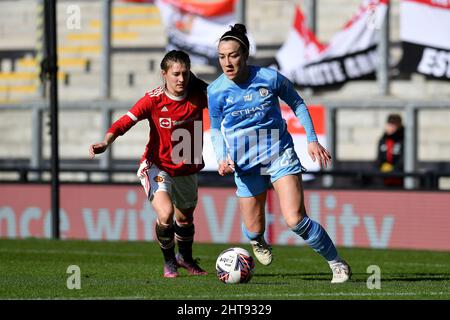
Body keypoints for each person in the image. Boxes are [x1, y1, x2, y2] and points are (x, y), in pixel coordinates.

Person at [207, 24, 351, 283]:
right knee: (253, 229)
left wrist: (312, 140)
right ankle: (257, 240)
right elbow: (216, 129)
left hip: (278, 153)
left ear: (246, 54)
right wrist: (221, 156)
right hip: (244, 161)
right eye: (222, 56)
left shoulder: (269, 78)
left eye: (233, 55)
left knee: (295, 219)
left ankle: (337, 263)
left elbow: (297, 102)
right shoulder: (215, 90)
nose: (227, 62)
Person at [89, 50, 208, 278]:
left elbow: (224, 105)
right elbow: (125, 121)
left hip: (188, 165)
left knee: (185, 219)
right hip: (158, 166)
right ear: (164, 74)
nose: (181, 79)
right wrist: (106, 141)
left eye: (185, 73)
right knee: (166, 214)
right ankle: (169, 262)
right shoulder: (153, 99)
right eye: (175, 74)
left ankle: (186, 258)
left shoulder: (200, 95)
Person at [376, 113, 404, 187]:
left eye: (394, 125)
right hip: (384, 178)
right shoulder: (382, 140)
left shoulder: (402, 140)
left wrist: (393, 170)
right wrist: (382, 169)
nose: (391, 128)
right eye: (389, 124)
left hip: (399, 178)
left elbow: (403, 159)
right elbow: (379, 158)